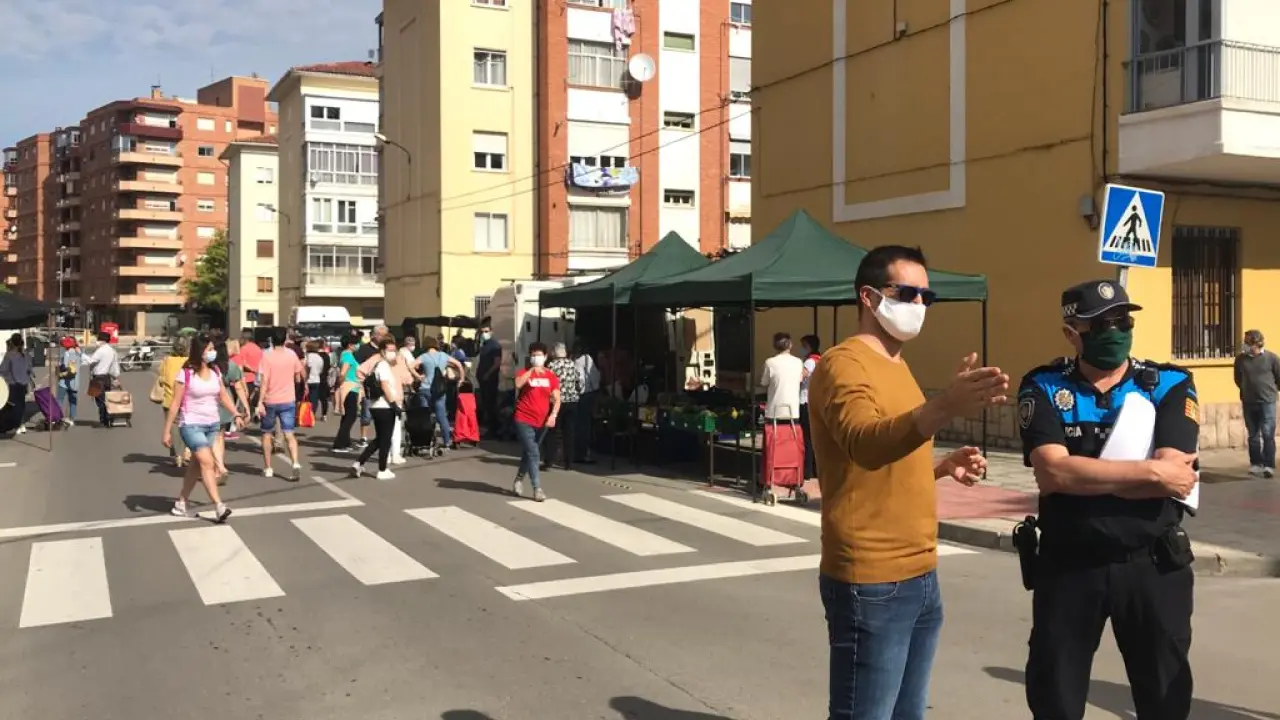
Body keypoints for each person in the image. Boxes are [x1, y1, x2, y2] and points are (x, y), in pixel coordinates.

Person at [807, 245, 1007, 720]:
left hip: (921, 573)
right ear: (868, 297)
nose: (919, 305)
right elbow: (865, 443)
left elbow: (889, 455)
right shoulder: (843, 365)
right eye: (907, 293)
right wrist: (946, 405)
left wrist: (941, 466)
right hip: (872, 578)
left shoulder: (897, 364)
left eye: (926, 296)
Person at [1018, 280, 1200, 720]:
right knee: (1056, 698)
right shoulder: (1044, 386)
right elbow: (1052, 472)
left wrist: (1080, 477)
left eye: (1122, 321)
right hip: (1070, 566)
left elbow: (1176, 476)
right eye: (1099, 325)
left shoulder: (1169, 383)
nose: (1114, 331)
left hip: (1151, 565)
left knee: (1165, 699)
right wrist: (1150, 472)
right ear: (1071, 333)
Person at [162, 333, 246, 523]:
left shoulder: (215, 371)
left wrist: (236, 413)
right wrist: (167, 431)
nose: (213, 352)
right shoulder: (185, 374)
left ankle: (181, 503)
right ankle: (219, 506)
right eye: (209, 349)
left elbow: (223, 396)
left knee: (196, 465)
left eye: (213, 349)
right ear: (200, 351)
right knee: (208, 463)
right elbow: (175, 404)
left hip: (212, 425)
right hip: (191, 425)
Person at [512, 342, 561, 502]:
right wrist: (532, 371)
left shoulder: (551, 376)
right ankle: (537, 488)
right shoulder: (524, 372)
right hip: (523, 418)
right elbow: (518, 384)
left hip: (542, 422)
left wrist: (553, 415)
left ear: (545, 357)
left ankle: (519, 479)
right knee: (534, 453)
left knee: (529, 453)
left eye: (539, 355)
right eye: (533, 355)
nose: (536, 358)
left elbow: (557, 398)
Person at [255, 328, 304, 480]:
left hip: (270, 399)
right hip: (288, 398)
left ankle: (268, 467)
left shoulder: (266, 356)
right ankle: (295, 462)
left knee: (266, 433)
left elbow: (264, 381)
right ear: (285, 340)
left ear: (271, 340)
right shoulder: (292, 354)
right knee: (289, 433)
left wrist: (259, 402)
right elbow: (298, 377)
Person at [351, 335, 403, 480]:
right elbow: (385, 386)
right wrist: (394, 405)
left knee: (380, 439)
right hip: (385, 406)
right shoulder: (383, 365)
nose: (393, 353)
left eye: (394, 350)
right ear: (382, 351)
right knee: (385, 439)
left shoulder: (379, 365)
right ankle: (382, 469)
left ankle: (359, 463)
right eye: (389, 350)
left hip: (377, 405)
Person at [1234, 329, 1280, 478]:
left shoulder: (1272, 358)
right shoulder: (1240, 360)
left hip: (1267, 402)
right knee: (1253, 435)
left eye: (1247, 342)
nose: (1244, 345)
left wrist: (1270, 392)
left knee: (1268, 433)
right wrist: (1246, 390)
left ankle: (1269, 465)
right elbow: (1237, 379)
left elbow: (1279, 377)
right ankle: (1255, 463)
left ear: (1256, 344)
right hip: (1249, 402)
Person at [212, 340, 250, 485]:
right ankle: (219, 466)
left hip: (211, 400)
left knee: (210, 437)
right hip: (226, 401)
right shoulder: (231, 365)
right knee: (220, 436)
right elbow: (239, 387)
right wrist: (245, 407)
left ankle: (218, 467)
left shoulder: (209, 366)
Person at [417, 336, 465, 450]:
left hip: (425, 389)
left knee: (424, 416)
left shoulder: (424, 356)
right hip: (439, 390)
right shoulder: (443, 355)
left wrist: (418, 376)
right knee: (442, 416)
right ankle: (447, 441)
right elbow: (459, 364)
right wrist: (461, 378)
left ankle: (424, 441)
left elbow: (410, 365)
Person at [545, 342, 583, 471]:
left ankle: (549, 461)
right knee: (569, 432)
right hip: (572, 401)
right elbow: (578, 382)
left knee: (552, 432)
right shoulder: (572, 364)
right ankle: (568, 463)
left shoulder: (552, 365)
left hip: (557, 402)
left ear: (554, 352)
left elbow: (548, 383)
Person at [158, 336, 192, 466]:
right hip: (187, 399)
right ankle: (187, 450)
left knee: (173, 427)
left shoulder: (167, 360)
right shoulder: (190, 361)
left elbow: (161, 377)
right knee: (188, 426)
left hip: (169, 398)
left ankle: (177, 455)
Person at [761, 332, 803, 421]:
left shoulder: (769, 362)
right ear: (790, 345)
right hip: (793, 411)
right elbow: (800, 380)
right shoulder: (798, 362)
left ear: (774, 346)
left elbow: (764, 383)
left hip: (773, 411)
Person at [332, 334, 363, 453]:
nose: (358, 345)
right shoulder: (347, 356)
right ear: (350, 345)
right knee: (351, 416)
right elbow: (343, 373)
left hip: (352, 387)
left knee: (347, 416)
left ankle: (345, 441)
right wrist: (339, 385)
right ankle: (339, 444)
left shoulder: (346, 355)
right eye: (356, 343)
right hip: (349, 388)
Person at [83, 331, 121, 428]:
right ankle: (108, 418)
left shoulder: (100, 350)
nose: (96, 341)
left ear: (102, 340)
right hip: (107, 378)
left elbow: (90, 361)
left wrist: (81, 354)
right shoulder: (112, 351)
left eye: (98, 339)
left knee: (100, 400)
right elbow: (114, 366)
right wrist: (116, 377)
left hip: (98, 378)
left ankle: (104, 419)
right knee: (105, 398)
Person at [798, 334, 821, 480]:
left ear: (809, 347)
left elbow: (800, 377)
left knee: (806, 438)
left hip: (805, 401)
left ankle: (807, 470)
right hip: (815, 401)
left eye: (803, 346)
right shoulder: (820, 359)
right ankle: (815, 469)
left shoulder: (810, 362)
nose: (801, 348)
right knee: (814, 438)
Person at [573, 342, 600, 464]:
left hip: (579, 395)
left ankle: (578, 452)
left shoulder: (575, 361)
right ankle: (583, 453)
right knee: (585, 424)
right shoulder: (587, 360)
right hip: (587, 394)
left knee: (579, 424)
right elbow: (595, 376)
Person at [1, 334, 33, 435]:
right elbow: (29, 369)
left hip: (12, 384)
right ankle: (21, 424)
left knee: (11, 406)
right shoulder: (26, 354)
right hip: (23, 383)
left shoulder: (9, 355)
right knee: (21, 404)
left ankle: (14, 425)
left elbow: (3, 370)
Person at [476, 320, 502, 437]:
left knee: (490, 404)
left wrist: (487, 374)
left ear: (491, 332)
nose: (484, 334)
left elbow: (497, 363)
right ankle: (490, 428)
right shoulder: (484, 345)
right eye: (482, 332)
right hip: (483, 379)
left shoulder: (495, 346)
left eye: (486, 331)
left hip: (490, 379)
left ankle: (493, 430)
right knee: (486, 404)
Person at [55, 336, 81, 428]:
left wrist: (59, 369)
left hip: (64, 381)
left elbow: (65, 366)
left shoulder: (66, 353)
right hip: (74, 382)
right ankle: (72, 419)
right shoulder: (78, 353)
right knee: (72, 401)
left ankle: (58, 418)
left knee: (60, 399)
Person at [304, 340, 326, 421]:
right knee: (314, 399)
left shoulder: (308, 356)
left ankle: (304, 415)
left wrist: (305, 380)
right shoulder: (319, 358)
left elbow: (307, 368)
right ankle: (312, 415)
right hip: (316, 380)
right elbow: (321, 370)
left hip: (308, 380)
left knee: (305, 399)